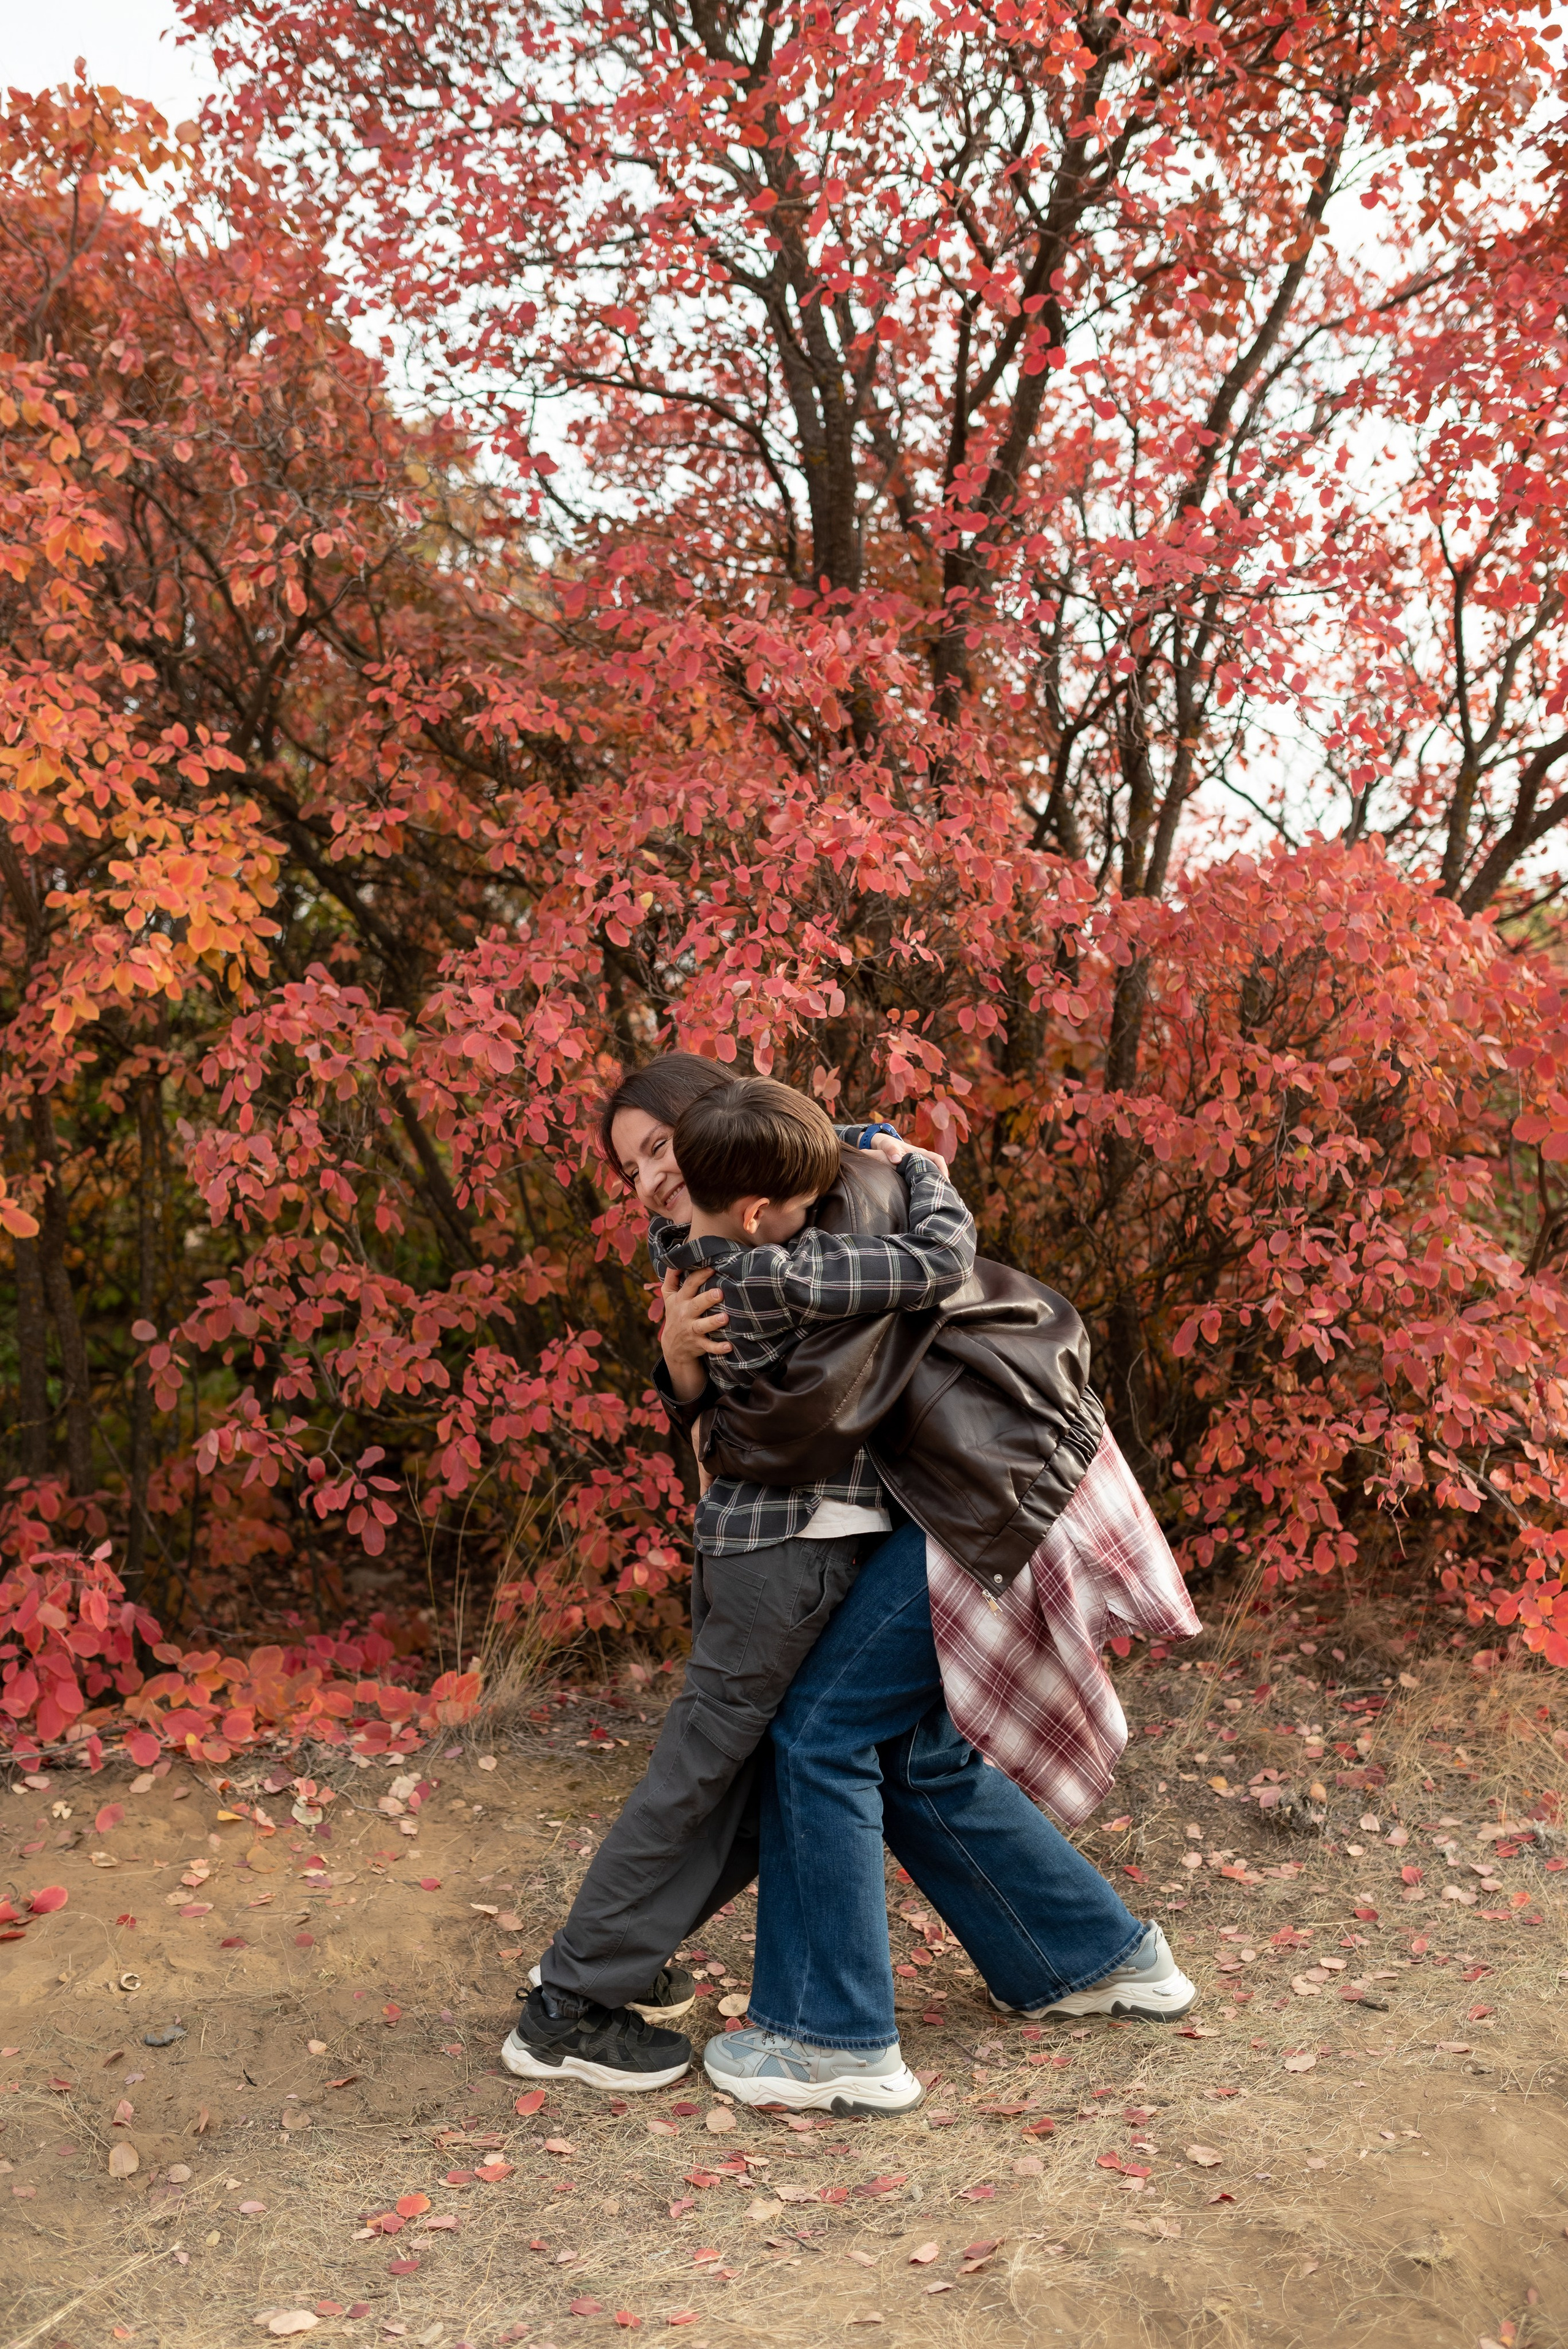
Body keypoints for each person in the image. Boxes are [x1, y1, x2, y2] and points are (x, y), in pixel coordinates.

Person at [502, 1068, 976, 2092]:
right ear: (761, 1202)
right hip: (788, 1551)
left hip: (759, 1549)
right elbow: (940, 1259)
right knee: (697, 1774)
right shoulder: (786, 1263)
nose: (649, 1182)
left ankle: (607, 1965)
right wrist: (922, 1164)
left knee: (744, 1785)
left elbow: (800, 1149)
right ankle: (567, 2003)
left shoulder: (717, 1237)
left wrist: (866, 1135)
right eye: (633, 1167)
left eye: (661, 1152)